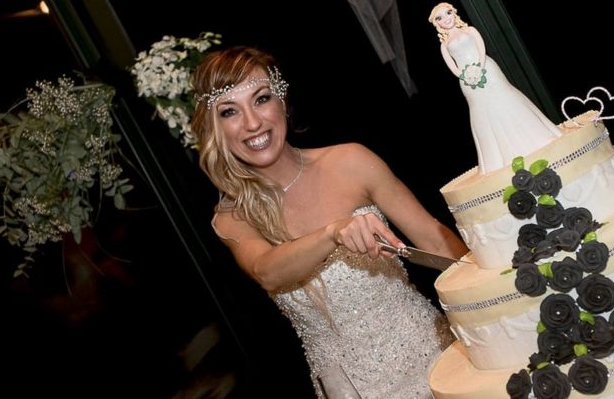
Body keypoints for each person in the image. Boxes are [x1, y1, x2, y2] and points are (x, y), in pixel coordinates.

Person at [190, 46, 468, 398]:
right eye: (230, 111)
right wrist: (333, 233)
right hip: (352, 390)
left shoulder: (350, 161)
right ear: (215, 128)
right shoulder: (233, 217)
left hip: (436, 359)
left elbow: (434, 240)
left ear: (282, 102)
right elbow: (266, 271)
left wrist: (494, 301)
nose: (252, 123)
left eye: (261, 100)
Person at [428, 2, 562, 174]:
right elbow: (452, 66)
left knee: (504, 98)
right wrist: (465, 76)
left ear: (454, 13)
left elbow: (481, 49)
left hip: (487, 71)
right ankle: (497, 157)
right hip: (468, 81)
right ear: (436, 23)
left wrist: (479, 67)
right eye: (440, 17)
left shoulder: (471, 31)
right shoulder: (444, 45)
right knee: (483, 110)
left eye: (447, 13)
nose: (446, 18)